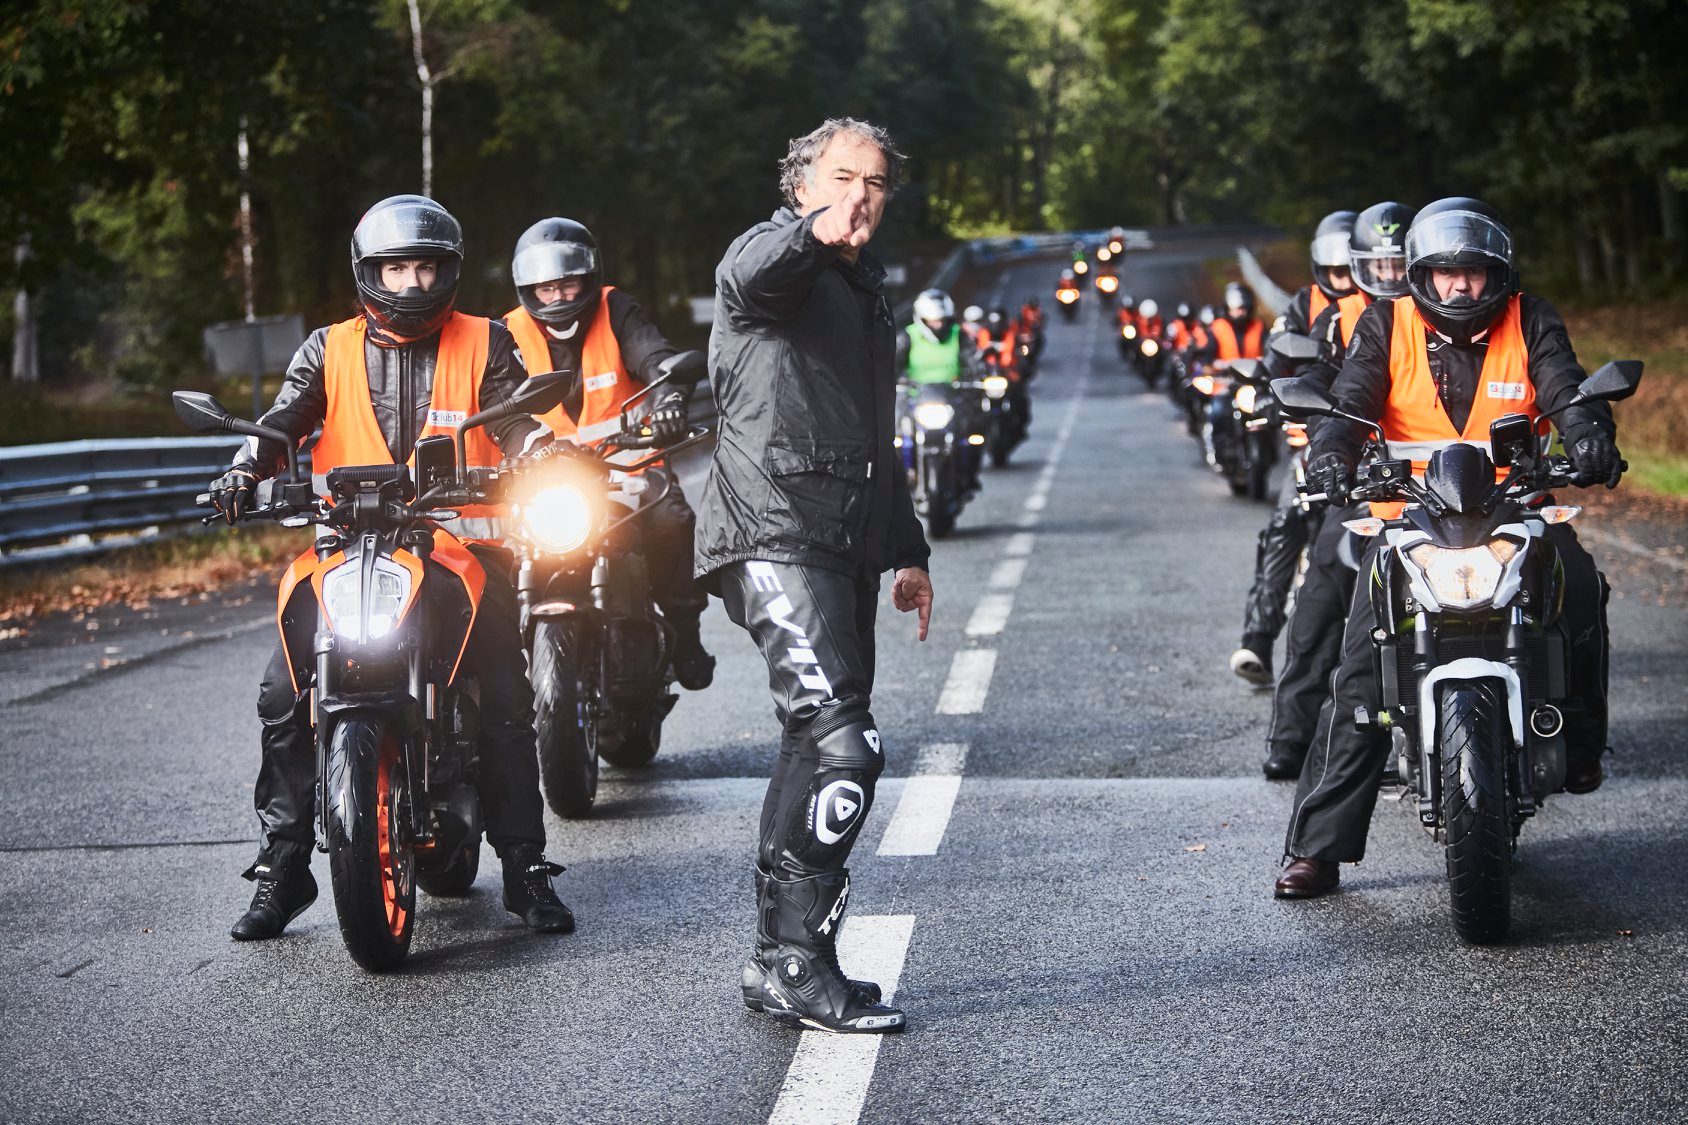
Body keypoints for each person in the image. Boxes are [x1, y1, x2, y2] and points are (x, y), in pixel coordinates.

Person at [209, 194, 573, 940]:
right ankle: (284, 865)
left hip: (457, 551)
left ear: (450, 270)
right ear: (369, 272)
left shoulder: (486, 339)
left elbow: (512, 415)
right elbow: (281, 423)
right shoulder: (327, 348)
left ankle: (525, 864)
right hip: (344, 550)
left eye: (426, 266)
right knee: (282, 690)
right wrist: (243, 471)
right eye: (396, 267)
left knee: (505, 689)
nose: (411, 282)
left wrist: (541, 450)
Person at [1276, 197, 1622, 898]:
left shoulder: (1531, 317)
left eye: (1472, 274)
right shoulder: (1385, 321)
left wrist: (1588, 436)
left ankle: (1581, 742)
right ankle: (1316, 847)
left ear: (1496, 275)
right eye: (1444, 275)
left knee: (1582, 586)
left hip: (1515, 509)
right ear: (1421, 277)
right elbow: (1348, 404)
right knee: (1361, 669)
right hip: (1411, 520)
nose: (1458, 288)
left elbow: (1564, 386)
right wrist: (1331, 454)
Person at [698, 117, 934, 1033]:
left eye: (876, 182)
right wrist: (811, 232)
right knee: (847, 747)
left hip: (838, 539)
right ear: (803, 182)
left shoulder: (861, 292)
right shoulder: (773, 254)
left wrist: (907, 549)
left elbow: (877, 435)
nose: (861, 195)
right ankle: (798, 961)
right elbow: (756, 275)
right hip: (774, 528)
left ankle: (782, 964)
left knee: (812, 742)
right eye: (842, 177)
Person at [504, 216, 714, 691]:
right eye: (546, 289)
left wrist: (671, 401)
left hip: (627, 462)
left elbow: (654, 356)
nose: (559, 298)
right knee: (497, 543)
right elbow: (489, 401)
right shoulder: (506, 334)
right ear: (528, 290)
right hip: (544, 473)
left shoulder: (616, 309)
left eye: (569, 284)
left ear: (589, 279)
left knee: (672, 521)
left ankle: (684, 630)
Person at [1256, 201, 1415, 777]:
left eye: (1402, 263)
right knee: (1322, 597)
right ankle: (1292, 738)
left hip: (1450, 486)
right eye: (1380, 265)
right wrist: (1329, 451)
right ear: (1361, 266)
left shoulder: (1452, 315)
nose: (1392, 276)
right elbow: (1325, 384)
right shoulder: (1342, 317)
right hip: (1362, 478)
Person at [1231, 209, 1357, 686]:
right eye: (1338, 271)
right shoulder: (1305, 306)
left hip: (1378, 447)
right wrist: (1268, 395)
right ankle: (1258, 639)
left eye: (1354, 268)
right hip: (1314, 441)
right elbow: (1276, 358)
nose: (1348, 280)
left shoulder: (1395, 309)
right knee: (1285, 524)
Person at [1199, 282, 1265, 363]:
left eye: (1242, 308)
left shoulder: (1259, 326)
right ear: (1227, 308)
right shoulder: (1218, 328)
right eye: (1233, 309)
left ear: (1249, 308)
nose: (1238, 313)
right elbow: (1207, 359)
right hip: (1224, 374)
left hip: (1255, 374)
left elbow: (1269, 352)